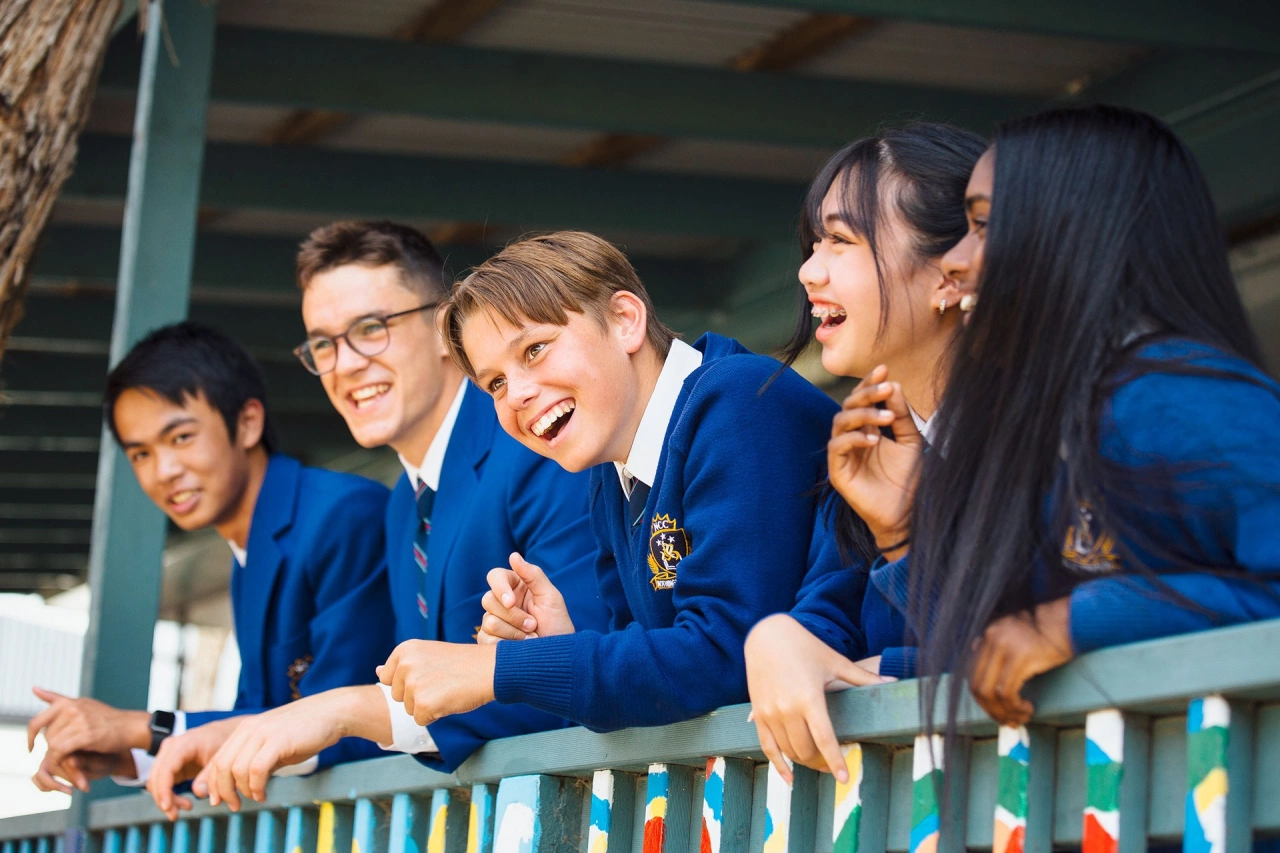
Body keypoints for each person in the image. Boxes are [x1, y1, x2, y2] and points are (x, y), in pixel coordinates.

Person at [843, 105, 1280, 738]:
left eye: (983, 226)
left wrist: (1076, 621)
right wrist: (904, 537)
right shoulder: (1063, 419)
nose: (956, 260)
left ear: (1076, 231)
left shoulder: (1182, 398)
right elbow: (999, 654)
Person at [147, 222, 609, 816]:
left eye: (370, 330)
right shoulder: (401, 505)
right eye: (324, 345)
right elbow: (409, 699)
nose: (345, 365)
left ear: (447, 329)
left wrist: (342, 710)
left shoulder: (534, 436)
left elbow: (581, 659)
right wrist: (257, 731)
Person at [370, 230, 846, 734]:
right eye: (495, 383)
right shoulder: (611, 474)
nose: (516, 396)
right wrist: (555, 646)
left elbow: (727, 655)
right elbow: (659, 665)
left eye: (534, 350)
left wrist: (497, 669)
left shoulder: (738, 401)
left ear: (624, 320)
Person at [28, 322, 393, 794]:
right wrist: (133, 756)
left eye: (180, 438)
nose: (164, 472)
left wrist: (145, 728)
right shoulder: (250, 553)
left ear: (247, 422)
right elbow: (260, 715)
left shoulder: (341, 516)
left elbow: (341, 723)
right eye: (140, 454)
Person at [741, 124, 986, 782]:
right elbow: (830, 620)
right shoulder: (863, 443)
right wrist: (777, 639)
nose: (807, 271)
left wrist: (888, 671)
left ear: (949, 272)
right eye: (814, 243)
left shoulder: (1050, 437)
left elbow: (1029, 643)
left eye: (842, 242)